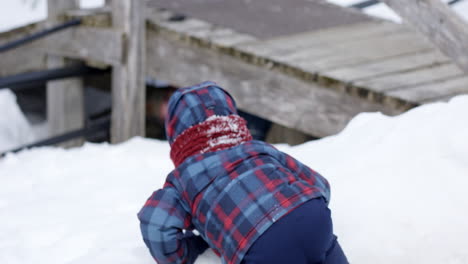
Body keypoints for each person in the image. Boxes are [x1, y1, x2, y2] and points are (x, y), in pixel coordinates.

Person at [138, 81, 348, 264]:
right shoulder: (259, 149)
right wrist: (301, 214)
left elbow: (155, 222)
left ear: (178, 139)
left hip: (259, 244)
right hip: (311, 216)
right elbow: (319, 184)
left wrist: (185, 253)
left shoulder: (183, 179)